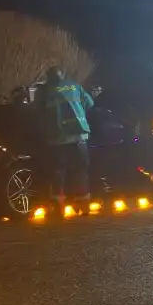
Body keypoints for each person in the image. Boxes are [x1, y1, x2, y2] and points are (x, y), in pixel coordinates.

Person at [36, 66, 95, 212]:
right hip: (79, 135)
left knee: (58, 170)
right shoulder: (75, 86)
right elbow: (90, 103)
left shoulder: (44, 90)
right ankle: (82, 203)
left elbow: (36, 110)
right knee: (80, 169)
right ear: (63, 75)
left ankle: (58, 205)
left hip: (58, 137)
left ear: (48, 77)